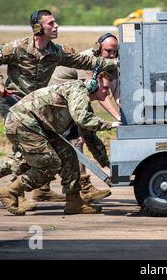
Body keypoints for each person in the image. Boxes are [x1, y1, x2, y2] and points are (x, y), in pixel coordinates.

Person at [0, 9, 118, 211]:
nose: (56, 27)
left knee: (47, 153)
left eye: (55, 23)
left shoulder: (56, 52)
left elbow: (86, 61)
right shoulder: (17, 48)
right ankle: (13, 192)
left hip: (39, 110)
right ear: (38, 28)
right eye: (51, 23)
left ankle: (63, 198)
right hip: (14, 104)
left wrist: (114, 62)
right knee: (29, 155)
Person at [0, 70, 119, 215]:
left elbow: (88, 134)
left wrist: (106, 162)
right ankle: (10, 191)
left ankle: (74, 202)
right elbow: (81, 119)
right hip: (23, 123)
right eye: (105, 88)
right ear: (93, 84)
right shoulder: (79, 91)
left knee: (69, 155)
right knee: (50, 163)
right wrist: (110, 125)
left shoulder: (82, 99)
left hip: (37, 125)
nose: (107, 92)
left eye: (109, 89)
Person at [47, 33, 121, 203]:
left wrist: (126, 114)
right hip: (59, 100)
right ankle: (84, 185)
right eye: (108, 51)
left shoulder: (111, 63)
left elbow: (115, 91)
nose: (111, 55)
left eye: (114, 52)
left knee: (81, 137)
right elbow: (100, 94)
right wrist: (117, 118)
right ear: (98, 49)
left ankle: (42, 190)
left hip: (75, 97)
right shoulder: (87, 60)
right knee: (77, 139)